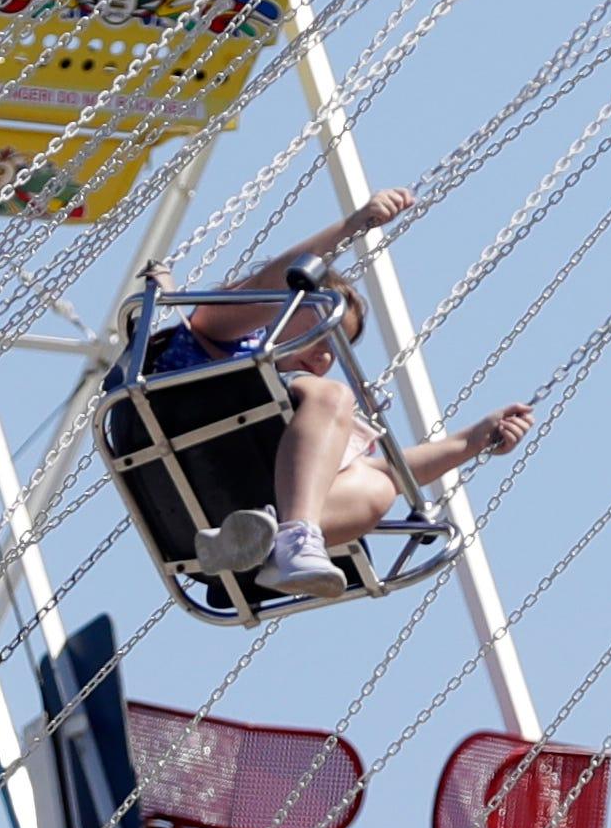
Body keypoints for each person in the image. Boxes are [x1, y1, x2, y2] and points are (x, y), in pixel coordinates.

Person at [148, 188, 534, 599]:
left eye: (336, 348)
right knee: (332, 398)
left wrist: (470, 441)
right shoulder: (216, 339)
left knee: (379, 488)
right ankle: (287, 540)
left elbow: (390, 472)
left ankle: (263, 542)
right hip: (202, 450)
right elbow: (262, 287)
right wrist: (349, 229)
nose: (326, 354)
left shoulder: (309, 424)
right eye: (324, 332)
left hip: (239, 514)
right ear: (282, 304)